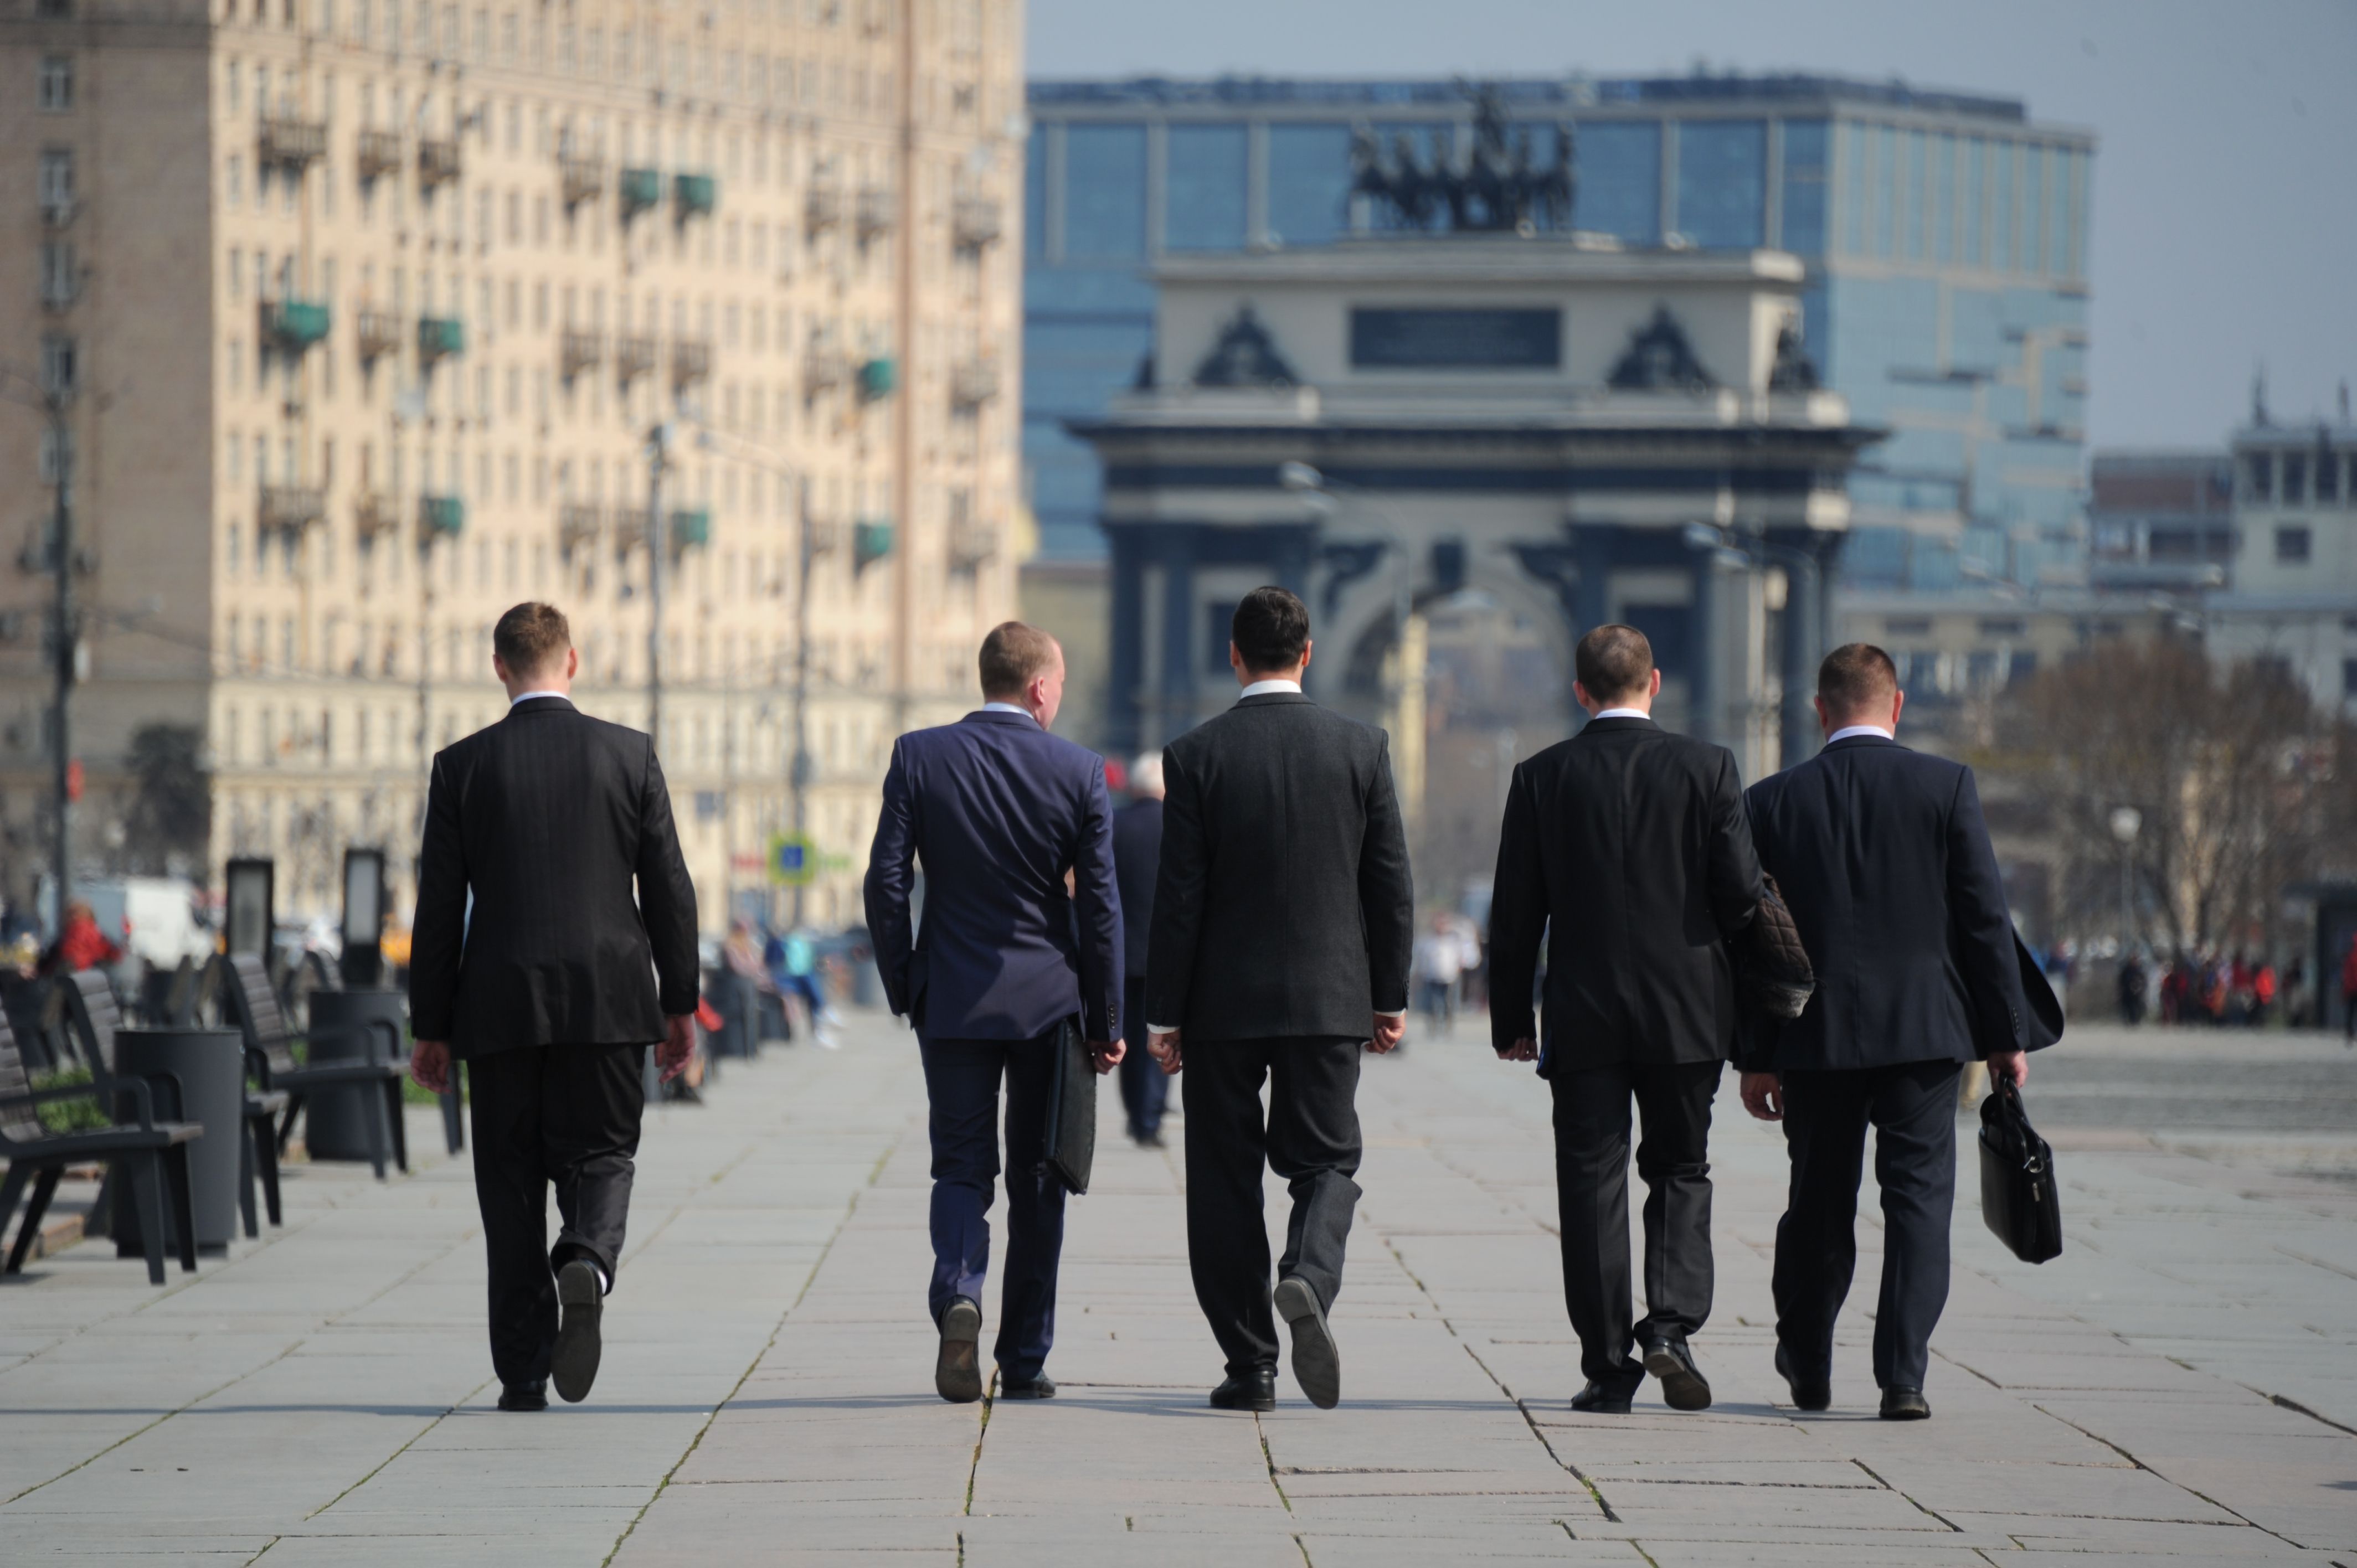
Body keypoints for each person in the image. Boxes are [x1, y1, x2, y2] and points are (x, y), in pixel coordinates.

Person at [408, 603, 699, 1413]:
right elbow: (670, 888)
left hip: (499, 1007)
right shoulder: (629, 755)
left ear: (499, 667)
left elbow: (437, 910)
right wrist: (682, 1005)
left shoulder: (461, 767)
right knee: (603, 1155)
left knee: (507, 1191)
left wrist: (430, 1024)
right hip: (609, 1002)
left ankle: (523, 1370)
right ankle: (589, 1260)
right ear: (572, 663)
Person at [1740, 643, 2035, 1422]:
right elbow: (1984, 923)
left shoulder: (1771, 802)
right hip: (1924, 1037)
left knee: (1818, 1203)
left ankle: (1807, 1359)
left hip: (1813, 1040)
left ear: (1820, 710)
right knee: (1918, 1204)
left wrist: (1755, 1056)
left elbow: (1751, 941)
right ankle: (1902, 1376)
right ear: (1896, 706)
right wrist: (2007, 1037)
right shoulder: (1946, 787)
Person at [1145, 586, 1414, 1414]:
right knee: (1328, 1160)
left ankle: (1250, 1366)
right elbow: (1391, 885)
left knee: (1223, 1181)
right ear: (1307, 655)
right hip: (1332, 999)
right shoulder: (1361, 747)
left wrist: (1166, 1013)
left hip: (1224, 1007)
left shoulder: (1195, 756)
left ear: (1235, 656)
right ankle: (1307, 1275)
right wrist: (1389, 995)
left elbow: (1179, 897)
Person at [1486, 623, 1763, 1416]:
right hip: (1689, 1016)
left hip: (1584, 1016)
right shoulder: (1709, 768)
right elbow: (1742, 895)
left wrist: (1513, 1018)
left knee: (1592, 1184)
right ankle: (1671, 1328)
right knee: (1680, 1168)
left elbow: (1515, 916)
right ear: (1656, 683)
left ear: (1580, 691)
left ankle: (1609, 1367)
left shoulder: (1542, 777)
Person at [863, 621, 1123, 1405]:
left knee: (961, 1166)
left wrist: (906, 979)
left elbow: (885, 882)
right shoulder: (1079, 770)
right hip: (1049, 1005)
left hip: (951, 998)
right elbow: (1102, 909)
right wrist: (1108, 1020)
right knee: (1041, 1180)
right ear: (1040, 688)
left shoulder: (919, 755)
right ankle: (1026, 1358)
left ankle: (960, 1293)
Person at [1111, 751, 1170, 1147]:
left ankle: (1136, 1114)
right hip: (1167, 956)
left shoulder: (1114, 825)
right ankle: (1150, 1117)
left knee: (1128, 1037)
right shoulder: (1179, 826)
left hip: (1122, 954)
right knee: (1164, 1036)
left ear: (1133, 786)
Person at [1412, 911, 1465, 1035]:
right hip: (1431, 978)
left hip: (1450, 978)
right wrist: (1419, 976)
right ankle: (1433, 1026)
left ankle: (1448, 1026)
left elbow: (1462, 959)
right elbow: (1421, 959)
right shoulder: (1427, 941)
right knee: (1432, 1004)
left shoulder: (1454, 941)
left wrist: (1457, 971)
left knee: (1449, 1004)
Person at [47, 900, 122, 975]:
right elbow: (114, 954)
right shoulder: (97, 934)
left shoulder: (68, 936)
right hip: (89, 976)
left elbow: (51, 961)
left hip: (70, 974)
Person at [2117, 951, 2147, 1028]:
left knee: (2137, 1009)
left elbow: (2143, 982)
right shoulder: (2126, 971)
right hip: (2127, 994)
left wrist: (2141, 990)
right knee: (2127, 1009)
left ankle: (2136, 1023)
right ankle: (2127, 1024)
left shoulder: (2139, 971)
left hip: (2137, 994)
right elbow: (2121, 982)